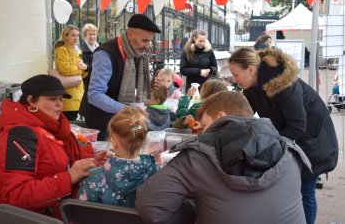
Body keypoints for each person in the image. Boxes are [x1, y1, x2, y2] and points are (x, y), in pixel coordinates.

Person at [136, 91, 311, 224]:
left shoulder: (198, 157)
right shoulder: (290, 151)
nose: (201, 132)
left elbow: (151, 207)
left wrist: (196, 209)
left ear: (221, 117)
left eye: (204, 125)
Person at [228, 47, 338, 224]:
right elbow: (244, 115)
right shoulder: (252, 85)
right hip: (295, 140)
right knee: (291, 190)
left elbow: (297, 126)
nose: (234, 79)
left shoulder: (283, 84)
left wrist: (269, 144)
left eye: (236, 74)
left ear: (250, 70)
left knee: (305, 191)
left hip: (313, 142)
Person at [0, 75, 96, 220]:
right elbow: (16, 195)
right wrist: (68, 178)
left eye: (61, 99)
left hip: (48, 213)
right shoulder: (19, 135)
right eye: (53, 99)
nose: (60, 104)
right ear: (30, 101)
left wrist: (91, 161)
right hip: (16, 219)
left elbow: (56, 160)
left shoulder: (51, 127)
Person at [82, 14, 161, 141]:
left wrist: (149, 83)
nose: (147, 46)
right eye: (144, 40)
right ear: (130, 34)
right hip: (101, 121)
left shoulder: (136, 53)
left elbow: (128, 79)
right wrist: (126, 109)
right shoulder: (105, 54)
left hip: (123, 118)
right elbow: (94, 95)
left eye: (150, 41)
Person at [77, 106, 160, 207]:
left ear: (114, 141)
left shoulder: (95, 177)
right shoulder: (156, 172)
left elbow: (83, 210)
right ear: (144, 140)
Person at [54, 25, 87, 121]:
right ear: (66, 36)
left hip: (78, 93)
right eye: (73, 35)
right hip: (68, 94)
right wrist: (81, 69)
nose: (76, 38)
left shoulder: (77, 50)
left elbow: (83, 72)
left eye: (77, 35)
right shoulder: (62, 49)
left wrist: (85, 69)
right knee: (69, 123)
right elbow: (65, 69)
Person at [79, 23, 99, 117]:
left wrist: (87, 67)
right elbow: (84, 66)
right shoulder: (82, 50)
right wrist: (88, 67)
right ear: (85, 36)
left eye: (94, 34)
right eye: (90, 34)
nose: (92, 36)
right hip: (88, 81)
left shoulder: (99, 48)